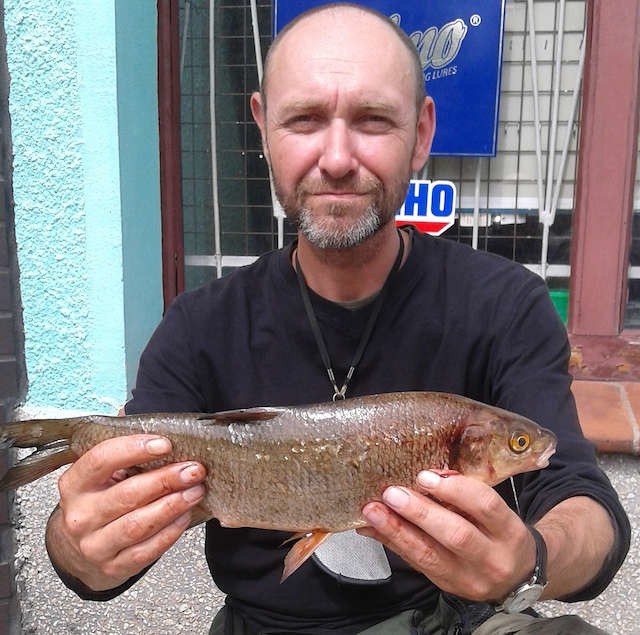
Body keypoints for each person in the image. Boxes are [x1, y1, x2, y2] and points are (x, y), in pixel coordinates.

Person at [44, 3, 630, 634]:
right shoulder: (199, 325)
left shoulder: (503, 301)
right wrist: (79, 547)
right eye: (304, 119)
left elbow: (585, 506)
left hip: (458, 619)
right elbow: (97, 551)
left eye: (374, 119)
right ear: (264, 128)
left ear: (422, 133)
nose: (338, 158)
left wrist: (530, 562)